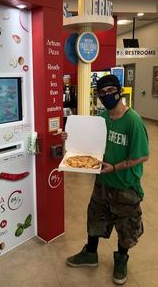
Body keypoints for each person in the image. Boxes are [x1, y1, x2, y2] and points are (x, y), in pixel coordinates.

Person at [65, 74, 149, 285]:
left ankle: (121, 259)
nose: (106, 96)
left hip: (126, 185)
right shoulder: (102, 118)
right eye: (101, 93)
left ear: (119, 91)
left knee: (126, 226)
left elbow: (142, 155)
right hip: (102, 182)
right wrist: (70, 137)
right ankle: (90, 253)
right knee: (95, 218)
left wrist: (115, 168)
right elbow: (88, 142)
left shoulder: (133, 121)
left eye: (110, 91)